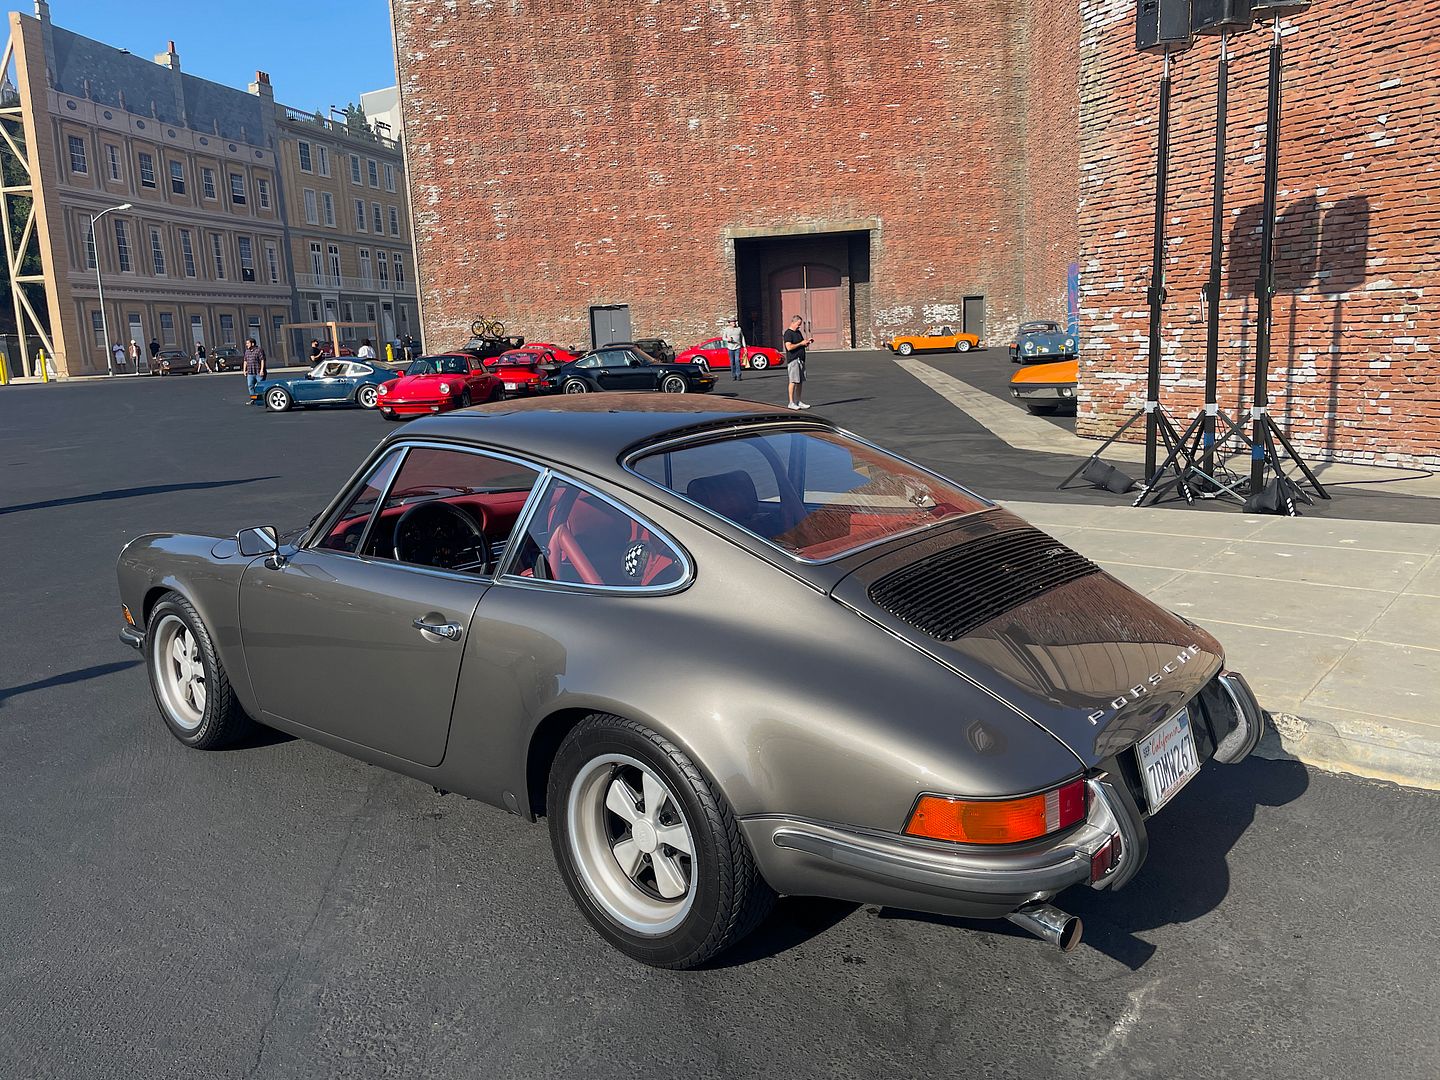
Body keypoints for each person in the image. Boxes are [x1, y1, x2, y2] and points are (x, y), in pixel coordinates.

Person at [782, 315, 814, 410]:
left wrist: (807, 342)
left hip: (801, 360)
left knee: (800, 381)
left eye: (800, 324)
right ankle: (791, 402)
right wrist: (801, 343)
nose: (799, 326)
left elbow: (800, 344)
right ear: (793, 322)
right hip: (793, 360)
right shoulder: (788, 333)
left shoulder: (798, 332)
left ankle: (799, 401)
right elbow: (789, 347)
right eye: (798, 324)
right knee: (793, 381)